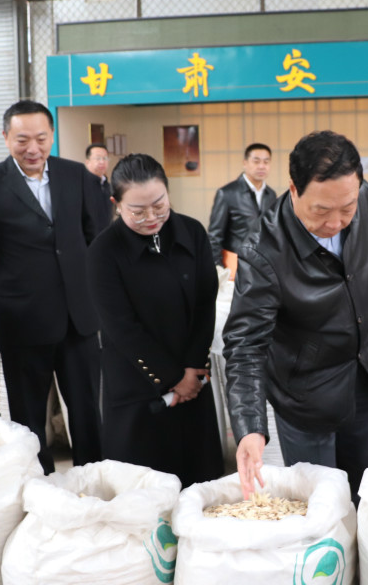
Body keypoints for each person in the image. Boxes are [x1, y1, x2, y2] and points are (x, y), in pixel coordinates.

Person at [224, 130, 368, 502]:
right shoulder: (263, 249)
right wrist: (250, 426)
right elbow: (245, 345)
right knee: (321, 504)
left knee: (366, 492)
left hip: (360, 378)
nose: (336, 222)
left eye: (346, 208)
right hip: (306, 395)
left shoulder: (364, 199)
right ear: (293, 189)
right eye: (321, 211)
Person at [0, 100, 105, 474]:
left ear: (52, 136)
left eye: (41, 138)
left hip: (78, 319)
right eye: (22, 139)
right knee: (28, 415)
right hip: (22, 321)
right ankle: (38, 481)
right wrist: (17, 291)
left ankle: (94, 479)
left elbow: (96, 238)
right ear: (5, 137)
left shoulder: (76, 176)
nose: (33, 148)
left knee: (87, 409)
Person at [87, 153, 224, 487]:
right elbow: (120, 326)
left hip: (193, 380)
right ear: (116, 204)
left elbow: (205, 302)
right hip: (138, 385)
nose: (151, 217)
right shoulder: (104, 251)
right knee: (142, 488)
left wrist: (193, 368)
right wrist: (172, 378)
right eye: (138, 211)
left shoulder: (192, 232)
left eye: (159, 205)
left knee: (199, 484)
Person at [208, 143, 276, 276]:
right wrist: (219, 268)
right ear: (245, 163)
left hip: (263, 266)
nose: (262, 166)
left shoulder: (271, 195)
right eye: (256, 161)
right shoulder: (227, 193)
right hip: (235, 265)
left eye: (266, 162)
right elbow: (214, 237)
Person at [84, 143, 114, 228]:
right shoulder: (82, 185)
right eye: (98, 158)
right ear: (87, 162)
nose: (102, 162)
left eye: (105, 158)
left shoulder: (108, 186)